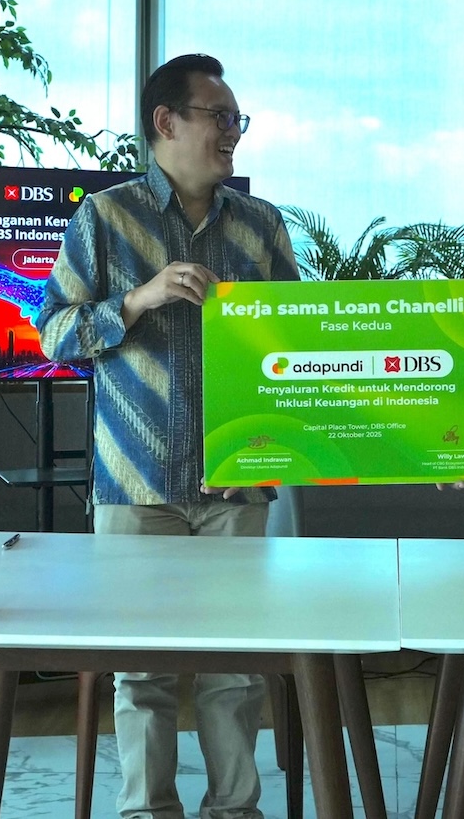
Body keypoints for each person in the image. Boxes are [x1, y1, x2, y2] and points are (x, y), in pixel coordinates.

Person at [36, 53, 299, 819]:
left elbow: (299, 343)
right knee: (141, 670)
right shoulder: (104, 218)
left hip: (237, 479)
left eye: (238, 119)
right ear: (166, 122)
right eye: (221, 116)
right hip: (134, 482)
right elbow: (53, 333)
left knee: (235, 669)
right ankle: (145, 810)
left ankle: (235, 810)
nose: (234, 132)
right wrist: (138, 300)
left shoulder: (260, 225)